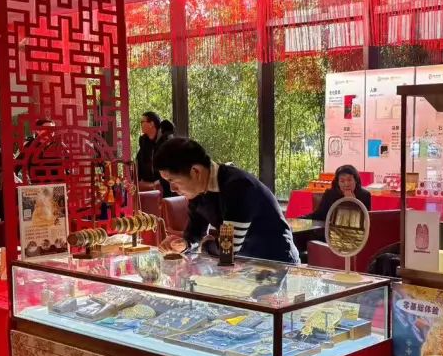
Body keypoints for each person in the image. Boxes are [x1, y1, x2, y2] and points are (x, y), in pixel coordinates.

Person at [155, 138, 299, 265]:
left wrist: (205, 245)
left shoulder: (238, 186)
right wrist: (183, 244)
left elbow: (227, 250)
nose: (172, 189)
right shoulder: (198, 192)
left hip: (277, 264)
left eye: (173, 181)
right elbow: (195, 234)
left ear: (196, 171)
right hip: (245, 266)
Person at [305, 164, 372, 221]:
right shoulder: (330, 194)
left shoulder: (365, 195)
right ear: (338, 183)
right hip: (332, 229)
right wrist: (300, 220)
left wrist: (352, 202)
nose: (346, 184)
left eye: (349, 180)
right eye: (342, 181)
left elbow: (365, 220)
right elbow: (319, 215)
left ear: (356, 180)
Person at [136, 112, 175, 196]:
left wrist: (159, 182)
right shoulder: (143, 142)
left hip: (167, 188)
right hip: (149, 190)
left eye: (142, 122)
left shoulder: (167, 141)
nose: (141, 124)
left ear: (151, 124)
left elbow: (172, 166)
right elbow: (139, 162)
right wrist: (137, 180)